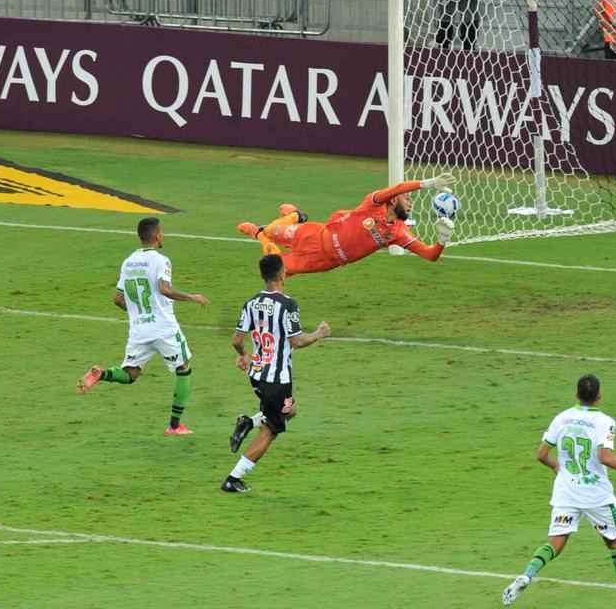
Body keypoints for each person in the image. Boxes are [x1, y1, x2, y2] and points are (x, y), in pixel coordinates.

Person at [502, 374, 616, 608]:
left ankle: (528, 574)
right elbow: (604, 457)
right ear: (599, 397)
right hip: (596, 495)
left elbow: (541, 455)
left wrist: (557, 466)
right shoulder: (605, 421)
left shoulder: (562, 418)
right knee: (615, 543)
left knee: (556, 541)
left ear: (576, 395)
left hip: (566, 491)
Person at [78, 217, 209, 436]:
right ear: (157, 236)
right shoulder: (161, 260)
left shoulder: (128, 261)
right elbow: (164, 289)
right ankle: (175, 426)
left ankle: (102, 374)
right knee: (183, 368)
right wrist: (193, 297)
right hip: (164, 328)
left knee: (130, 374)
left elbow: (118, 299)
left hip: (139, 330)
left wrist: (140, 314)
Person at [222, 254, 330, 493]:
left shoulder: (250, 303)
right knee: (271, 430)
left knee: (290, 410)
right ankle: (234, 478)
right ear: (282, 274)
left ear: (263, 276)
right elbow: (297, 341)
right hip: (277, 379)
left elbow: (237, 339)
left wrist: (243, 355)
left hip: (257, 373)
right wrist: (319, 334)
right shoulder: (287, 304)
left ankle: (249, 421)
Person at [235, 174, 456, 276]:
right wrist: (428, 184)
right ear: (393, 200)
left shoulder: (398, 233)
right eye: (407, 199)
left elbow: (430, 255)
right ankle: (293, 216)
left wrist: (442, 239)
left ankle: (258, 234)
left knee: (274, 268)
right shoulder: (373, 204)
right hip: (312, 234)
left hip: (321, 260)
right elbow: (397, 187)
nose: (410, 204)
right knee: (272, 230)